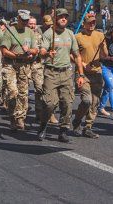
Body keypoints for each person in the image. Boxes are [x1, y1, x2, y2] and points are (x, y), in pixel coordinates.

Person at [37, 8, 82, 143]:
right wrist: (46, 53)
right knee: (50, 104)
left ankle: (63, 131)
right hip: (51, 73)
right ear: (55, 18)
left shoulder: (70, 34)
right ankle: (43, 125)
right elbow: (41, 50)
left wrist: (81, 74)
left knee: (67, 104)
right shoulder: (49, 34)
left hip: (66, 73)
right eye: (61, 17)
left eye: (66, 17)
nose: (64, 19)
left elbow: (77, 55)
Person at [0, 11, 38, 131]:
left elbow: (35, 50)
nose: (25, 22)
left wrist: (29, 51)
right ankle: (12, 116)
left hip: (24, 66)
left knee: (23, 94)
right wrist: (17, 56)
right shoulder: (9, 31)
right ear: (18, 18)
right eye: (23, 20)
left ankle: (20, 117)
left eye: (27, 20)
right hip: (11, 64)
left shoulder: (30, 32)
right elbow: (4, 51)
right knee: (13, 92)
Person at [72, 13, 107, 139]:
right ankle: (77, 120)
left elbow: (104, 56)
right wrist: (82, 63)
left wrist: (103, 46)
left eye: (93, 22)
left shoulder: (100, 35)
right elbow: (72, 56)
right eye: (89, 22)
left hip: (97, 73)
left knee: (95, 102)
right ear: (84, 23)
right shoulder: (77, 37)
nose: (92, 24)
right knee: (86, 100)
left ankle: (88, 127)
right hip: (83, 74)